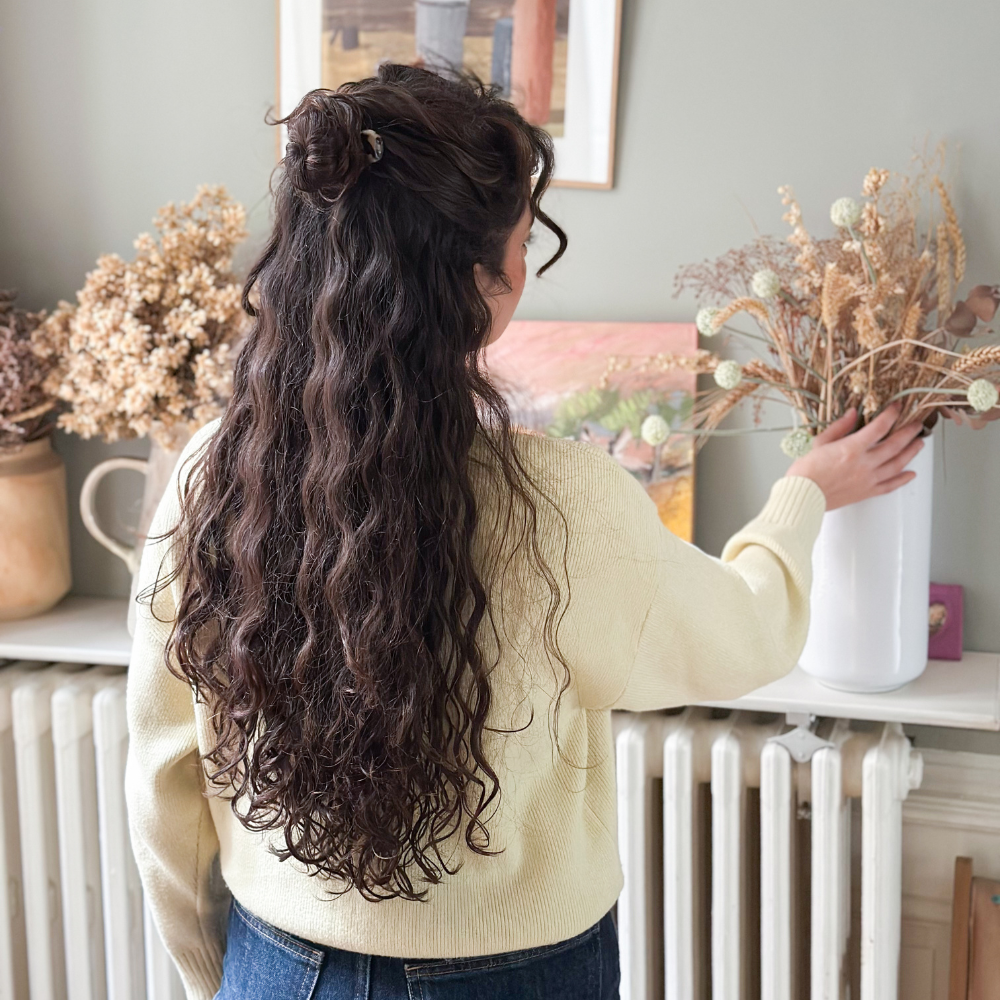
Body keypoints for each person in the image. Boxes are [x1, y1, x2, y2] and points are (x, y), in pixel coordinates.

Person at [123, 63, 925, 1000]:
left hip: (278, 966)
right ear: (485, 285)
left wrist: (215, 974)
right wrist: (801, 497)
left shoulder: (213, 472)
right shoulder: (562, 502)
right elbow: (745, 633)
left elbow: (161, 773)